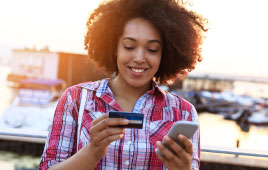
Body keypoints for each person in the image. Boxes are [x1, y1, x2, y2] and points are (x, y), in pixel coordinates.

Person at [39, 0, 207, 169]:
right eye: (129, 46)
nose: (139, 58)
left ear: (165, 54)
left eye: (152, 49)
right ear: (114, 47)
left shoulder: (183, 112)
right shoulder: (76, 99)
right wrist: (92, 151)